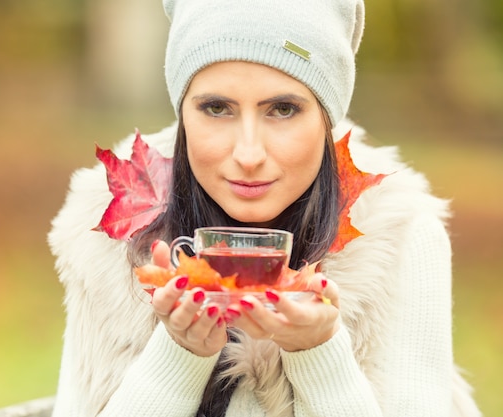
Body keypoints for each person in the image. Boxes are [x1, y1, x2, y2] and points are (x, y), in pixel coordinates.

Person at [48, 0, 482, 416]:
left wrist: (318, 356)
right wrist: (181, 354)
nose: (249, 153)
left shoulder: (401, 234)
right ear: (184, 113)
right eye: (217, 108)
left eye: (283, 109)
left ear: (326, 117)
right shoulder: (109, 234)